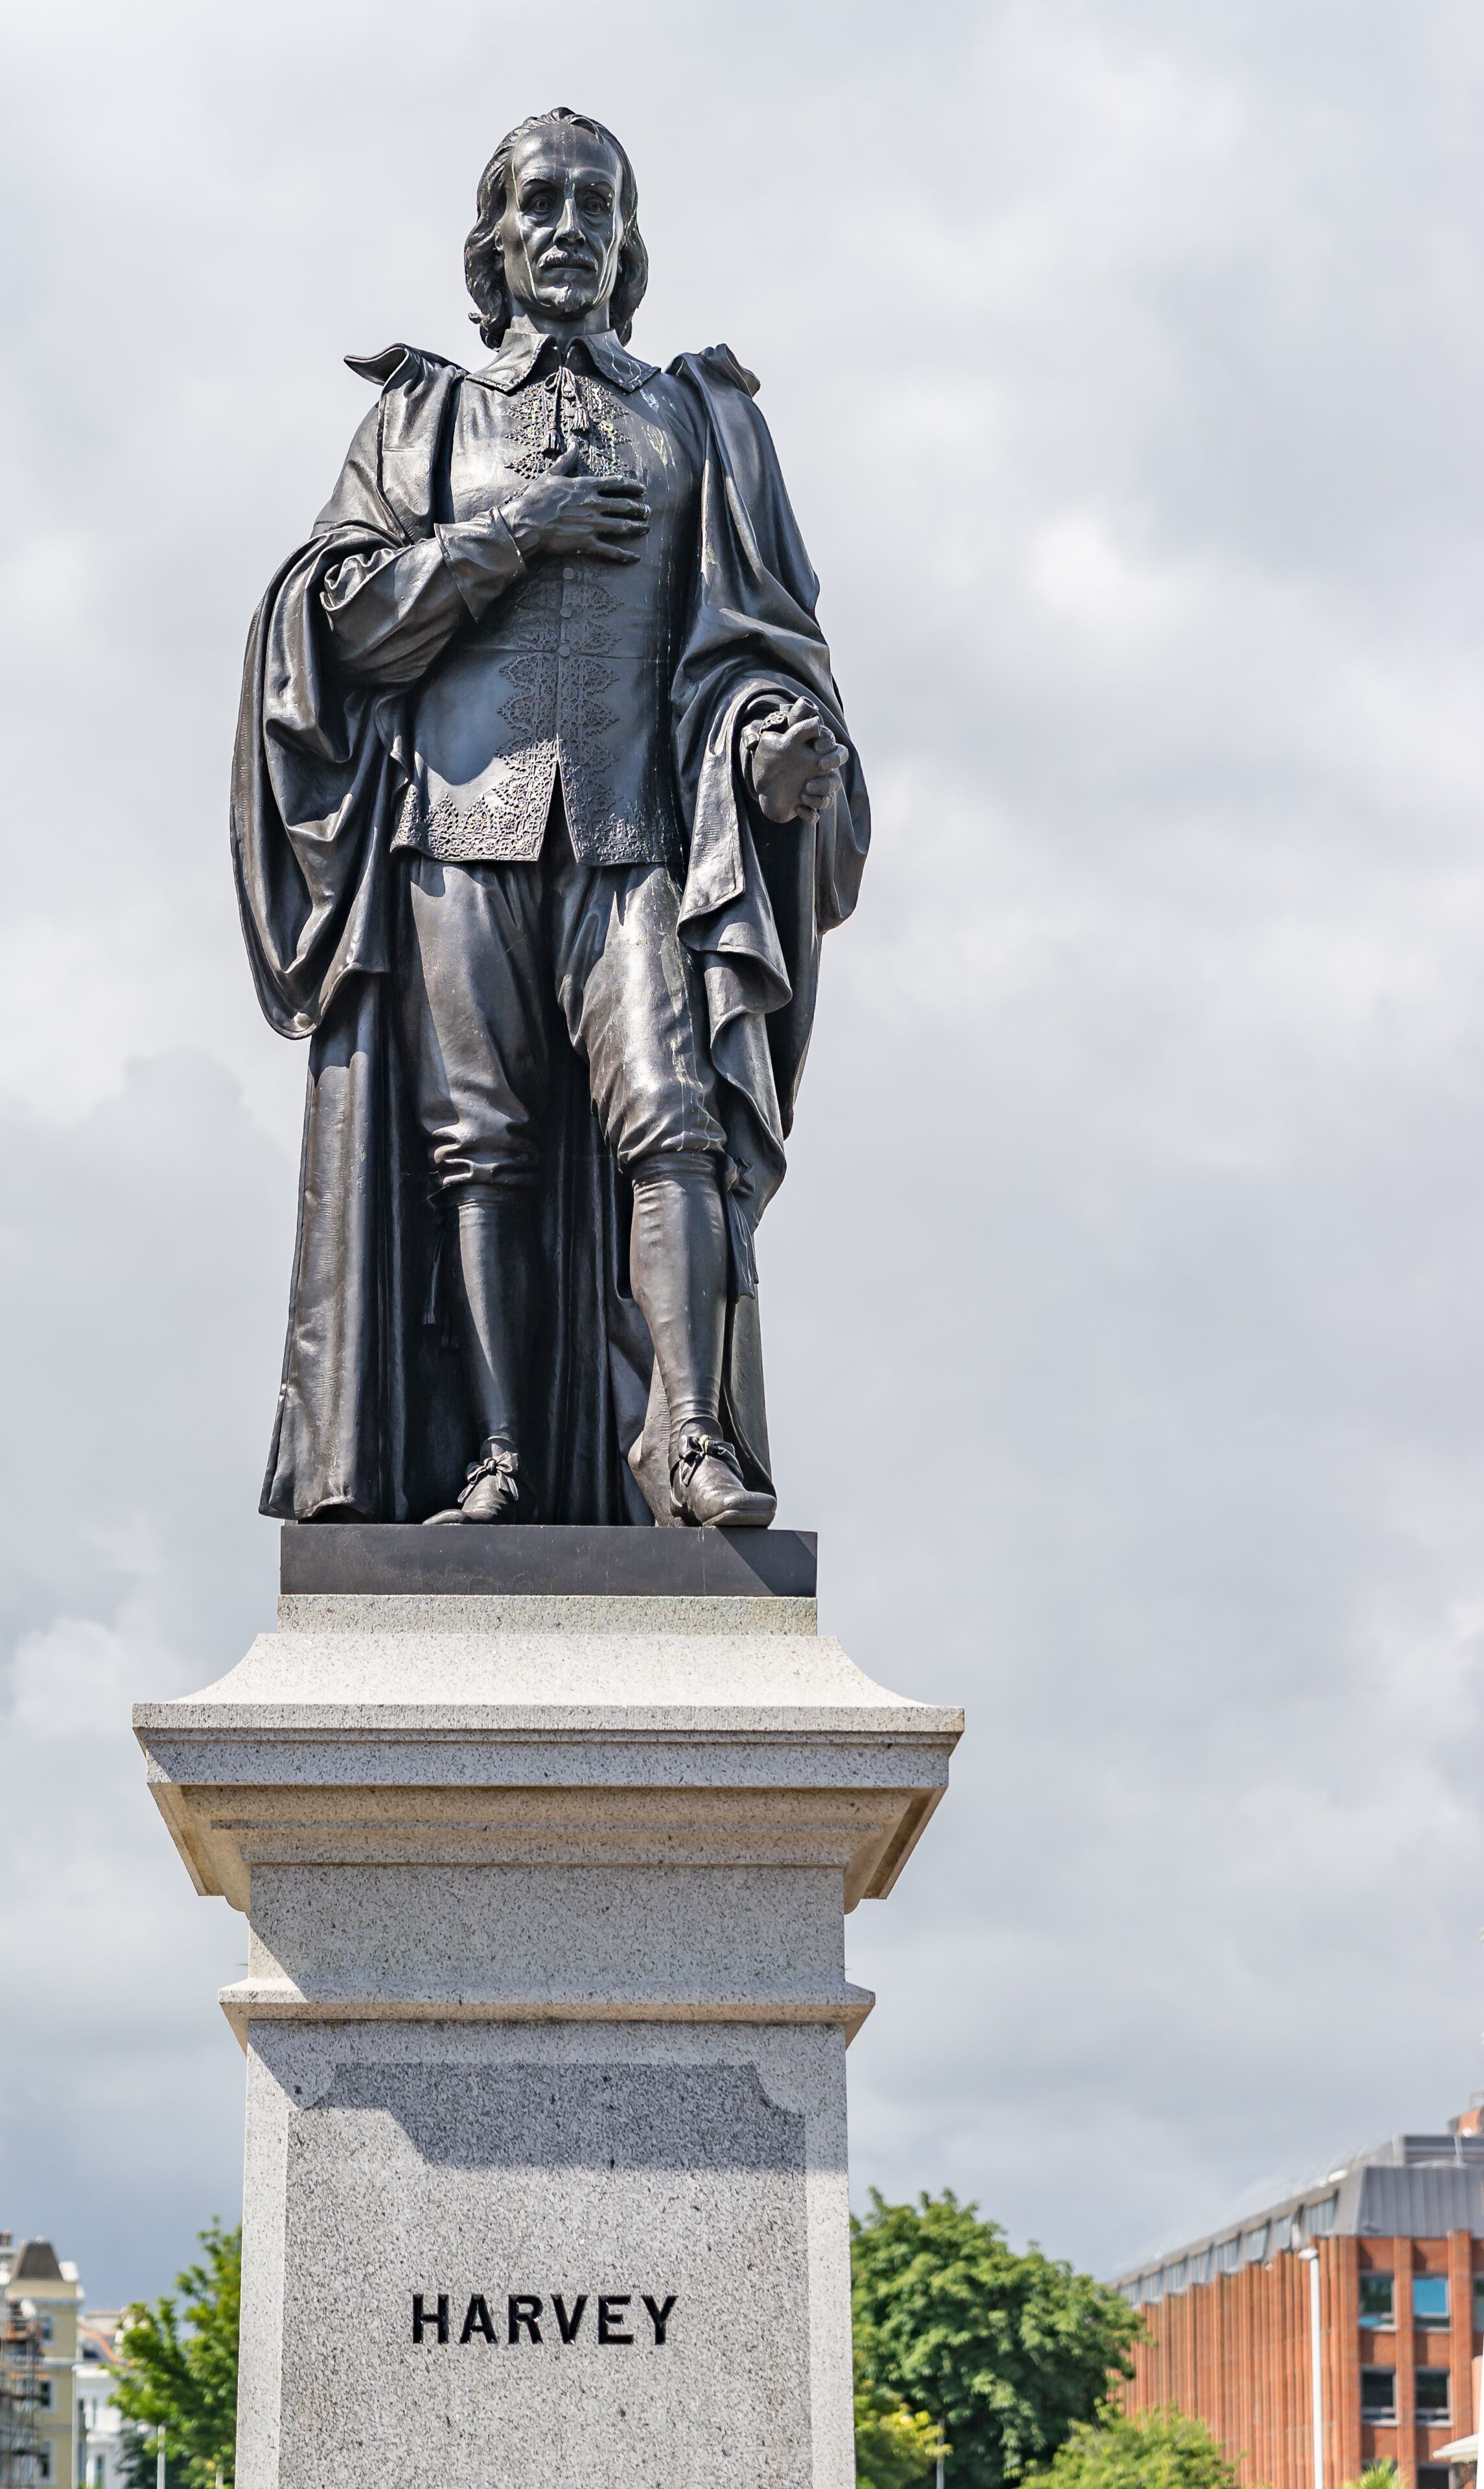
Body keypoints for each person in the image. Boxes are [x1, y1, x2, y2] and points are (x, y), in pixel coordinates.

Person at [233, 108, 870, 1528]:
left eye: (597, 204)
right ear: (496, 244)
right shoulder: (424, 421)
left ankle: (690, 1442)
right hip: (456, 835)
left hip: (636, 837)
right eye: (541, 204)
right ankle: (503, 1456)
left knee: (674, 1115)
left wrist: (776, 744)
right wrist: (503, 541)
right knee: (481, 1152)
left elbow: (761, 641)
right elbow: (334, 622)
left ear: (626, 241)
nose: (570, 227)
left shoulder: (701, 417)